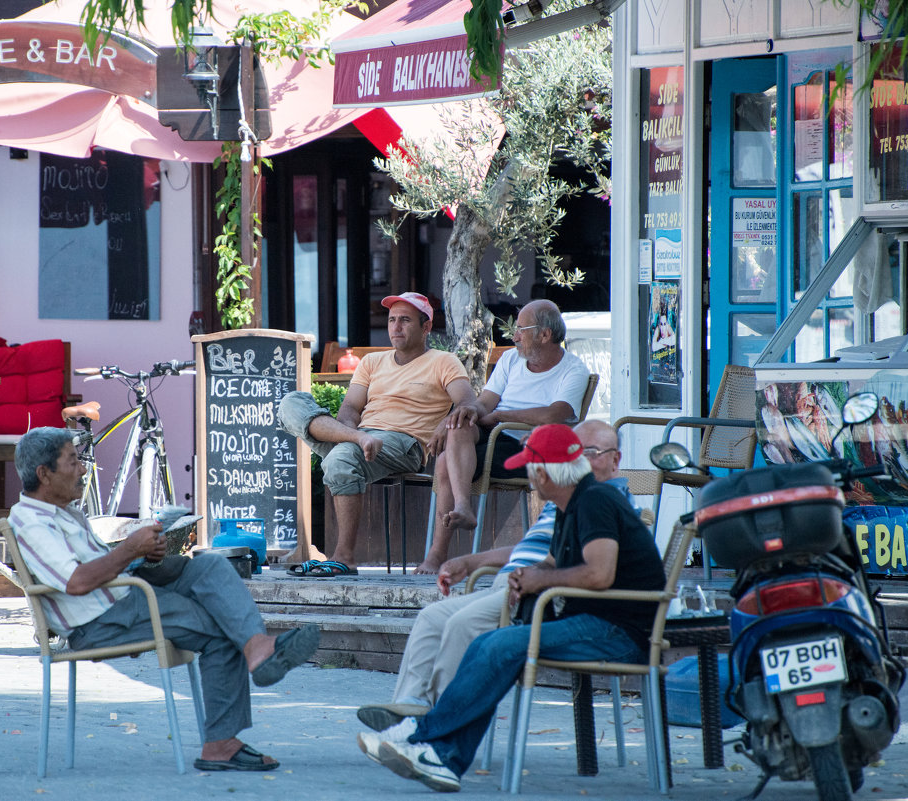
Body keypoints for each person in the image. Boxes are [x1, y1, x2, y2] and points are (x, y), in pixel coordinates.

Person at [356, 424, 665, 792]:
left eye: (531, 469)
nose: (529, 478)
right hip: (593, 620)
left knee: (499, 645)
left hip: (618, 631)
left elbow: (599, 573)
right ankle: (440, 754)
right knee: (490, 645)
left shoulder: (596, 501)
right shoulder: (573, 502)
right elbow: (552, 561)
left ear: (546, 473)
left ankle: (425, 738)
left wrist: (539, 581)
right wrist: (528, 576)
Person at [8, 427, 320, 772]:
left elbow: (95, 567)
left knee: (210, 566)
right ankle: (222, 742)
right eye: (73, 462)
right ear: (44, 474)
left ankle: (257, 646)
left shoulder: (67, 512)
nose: (83, 470)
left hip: (125, 595)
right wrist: (130, 549)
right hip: (103, 620)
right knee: (223, 628)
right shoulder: (31, 522)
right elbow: (77, 582)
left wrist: (144, 554)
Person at [278, 292, 479, 577]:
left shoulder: (443, 361)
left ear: (426, 328)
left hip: (403, 443)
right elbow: (350, 408)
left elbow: (467, 404)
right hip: (361, 438)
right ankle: (356, 441)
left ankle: (344, 557)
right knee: (291, 403)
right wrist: (354, 433)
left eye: (405, 320)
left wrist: (445, 423)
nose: (396, 327)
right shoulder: (372, 362)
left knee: (341, 461)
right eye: (392, 320)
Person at [416, 299, 592, 573]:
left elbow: (555, 414)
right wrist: (464, 412)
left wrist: (500, 416)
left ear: (545, 335)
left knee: (442, 464)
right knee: (459, 425)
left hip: (529, 446)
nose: (514, 336)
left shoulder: (573, 369)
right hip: (493, 434)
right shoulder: (511, 359)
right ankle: (462, 507)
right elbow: (485, 403)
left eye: (521, 329)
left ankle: (437, 555)